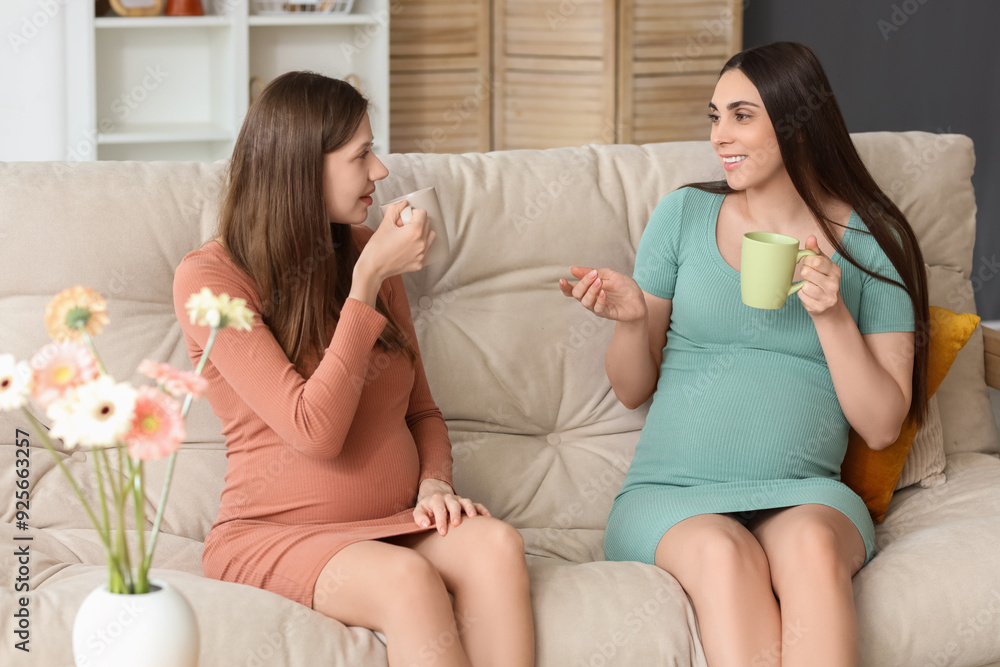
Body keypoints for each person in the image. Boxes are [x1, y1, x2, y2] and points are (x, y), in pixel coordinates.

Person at [560, 42, 929, 666]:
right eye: (715, 117)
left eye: (741, 115)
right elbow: (630, 389)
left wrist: (831, 314)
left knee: (812, 545)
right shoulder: (683, 215)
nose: (719, 136)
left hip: (804, 492)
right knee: (724, 554)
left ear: (795, 123)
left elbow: (882, 423)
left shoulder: (873, 238)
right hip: (672, 493)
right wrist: (629, 323)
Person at [173, 71, 534, 667]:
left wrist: (435, 483)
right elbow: (313, 430)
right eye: (361, 155)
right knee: (406, 582)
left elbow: (422, 410)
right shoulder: (211, 280)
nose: (381, 172)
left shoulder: (364, 250)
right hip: (273, 534)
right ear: (301, 169)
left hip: (392, 520)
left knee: (497, 544)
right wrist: (366, 282)